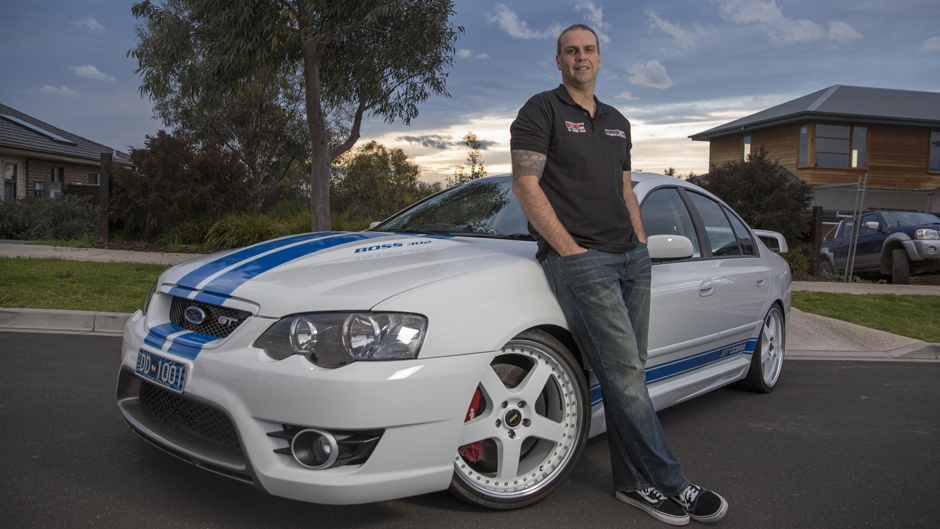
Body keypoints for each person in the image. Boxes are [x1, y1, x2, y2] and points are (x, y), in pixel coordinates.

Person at [509, 24, 728, 526]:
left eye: (588, 50)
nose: (580, 58)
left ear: (600, 59)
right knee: (627, 377)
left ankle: (632, 484)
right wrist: (569, 250)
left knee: (627, 374)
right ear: (558, 60)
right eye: (571, 51)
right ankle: (675, 484)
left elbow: (625, 189)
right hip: (584, 263)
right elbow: (526, 184)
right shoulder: (541, 110)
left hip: (632, 259)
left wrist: (642, 244)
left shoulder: (617, 121)